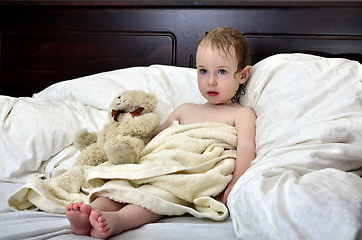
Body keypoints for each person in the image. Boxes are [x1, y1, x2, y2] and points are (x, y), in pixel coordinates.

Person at [65, 26, 256, 239]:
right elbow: (156, 140)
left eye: (221, 71)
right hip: (158, 163)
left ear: (242, 75)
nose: (210, 80)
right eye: (203, 71)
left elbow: (247, 147)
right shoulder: (186, 108)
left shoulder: (241, 114)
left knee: (160, 195)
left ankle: (119, 221)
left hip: (184, 171)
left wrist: (234, 183)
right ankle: (93, 210)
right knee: (123, 183)